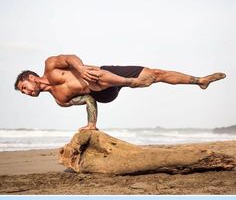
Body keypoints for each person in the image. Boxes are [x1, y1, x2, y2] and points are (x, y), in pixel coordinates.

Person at [14, 54, 226, 130]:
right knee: (93, 83)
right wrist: (91, 124)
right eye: (23, 92)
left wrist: (79, 68)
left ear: (31, 78)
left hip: (106, 73)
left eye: (24, 88)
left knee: (156, 73)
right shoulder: (60, 99)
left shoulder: (51, 66)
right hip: (103, 93)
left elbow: (70, 58)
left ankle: (200, 80)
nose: (26, 93)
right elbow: (88, 99)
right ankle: (130, 82)